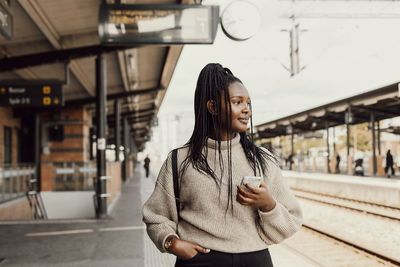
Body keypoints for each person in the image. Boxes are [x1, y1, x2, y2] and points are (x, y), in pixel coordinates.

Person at [142, 63, 303, 267]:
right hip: (200, 261)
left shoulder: (262, 160)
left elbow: (292, 221)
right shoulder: (180, 160)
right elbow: (155, 216)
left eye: (248, 103)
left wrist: (268, 204)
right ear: (213, 107)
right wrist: (171, 242)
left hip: (254, 261)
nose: (246, 110)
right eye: (237, 102)